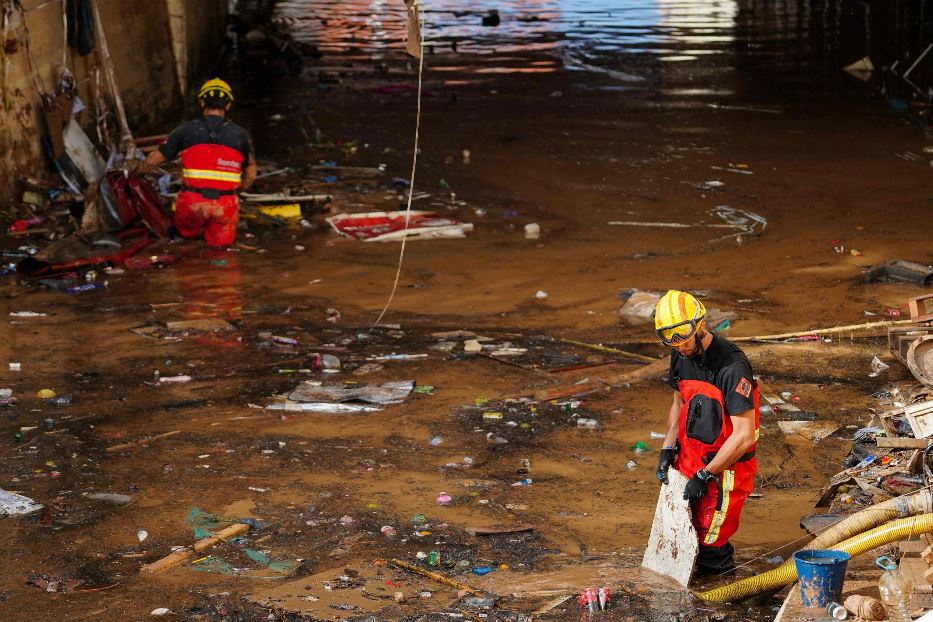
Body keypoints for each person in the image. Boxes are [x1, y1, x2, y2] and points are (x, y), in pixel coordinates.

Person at [653, 290, 759, 577]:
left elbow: (744, 436)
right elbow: (678, 404)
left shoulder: (732, 367)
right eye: (669, 337)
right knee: (686, 534)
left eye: (683, 334)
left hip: (726, 469)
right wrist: (667, 449)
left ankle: (722, 595)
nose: (678, 344)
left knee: (712, 540)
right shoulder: (679, 356)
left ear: (700, 325)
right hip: (690, 456)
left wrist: (706, 474)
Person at [144, 78, 256, 247]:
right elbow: (251, 174)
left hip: (192, 204)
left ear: (202, 102)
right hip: (225, 205)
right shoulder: (241, 135)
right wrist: (236, 191)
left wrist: (135, 172)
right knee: (221, 250)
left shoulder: (186, 129)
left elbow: (153, 160)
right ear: (228, 106)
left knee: (184, 245)